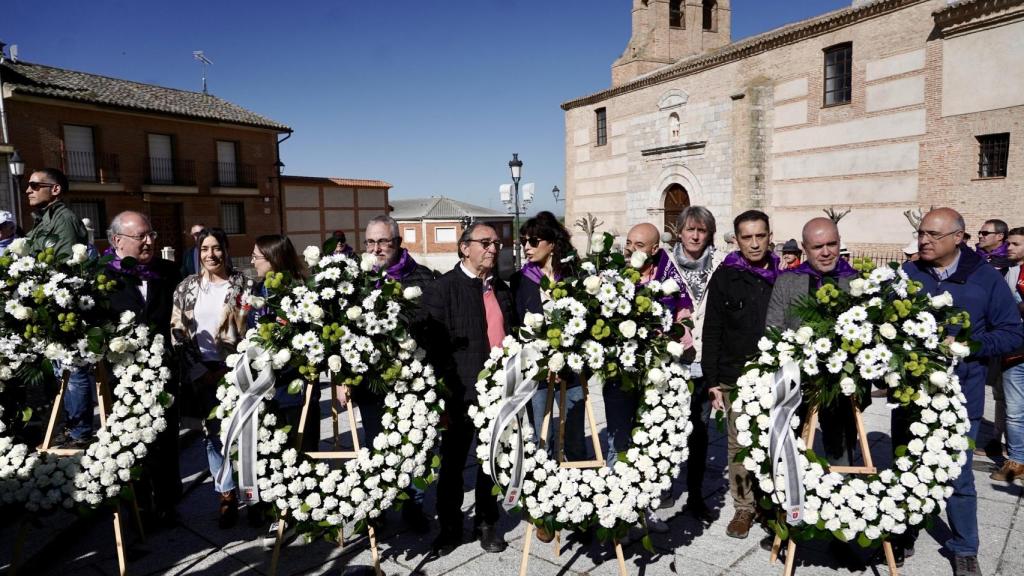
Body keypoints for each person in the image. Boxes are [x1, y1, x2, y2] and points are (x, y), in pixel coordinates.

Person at [896, 208, 1024, 575]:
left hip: (960, 397)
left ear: (958, 238)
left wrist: (968, 344)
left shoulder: (985, 279)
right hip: (912, 394)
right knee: (907, 466)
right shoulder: (909, 273)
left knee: (958, 474)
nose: (924, 240)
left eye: (934, 235)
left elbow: (1013, 332)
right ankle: (903, 532)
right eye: (922, 233)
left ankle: (965, 546)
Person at [421, 223, 512, 555]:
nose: (492, 248)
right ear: (464, 248)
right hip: (460, 394)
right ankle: (449, 527)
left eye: (496, 243)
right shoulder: (442, 288)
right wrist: (444, 395)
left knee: (493, 461)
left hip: (499, 393)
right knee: (453, 464)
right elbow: (432, 347)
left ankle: (487, 522)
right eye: (485, 242)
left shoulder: (501, 288)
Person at [346, 215, 434, 532]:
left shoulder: (422, 277)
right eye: (370, 241)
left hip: (412, 381)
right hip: (372, 384)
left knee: (414, 446)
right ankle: (377, 505)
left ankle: (414, 507)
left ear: (397, 243)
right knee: (374, 446)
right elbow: (345, 334)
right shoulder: (355, 281)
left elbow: (431, 328)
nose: (377, 247)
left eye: (383, 241)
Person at [170, 228, 253, 529]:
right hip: (201, 372)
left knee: (246, 435)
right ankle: (226, 495)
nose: (210, 255)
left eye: (216, 248)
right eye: (204, 249)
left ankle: (252, 495)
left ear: (226, 250)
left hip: (236, 370)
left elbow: (253, 331)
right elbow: (177, 331)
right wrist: (199, 371)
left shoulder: (243, 285)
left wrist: (230, 367)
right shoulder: (186, 287)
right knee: (214, 436)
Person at [703, 210, 779, 539]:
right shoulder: (725, 276)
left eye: (759, 236)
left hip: (777, 376)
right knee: (738, 445)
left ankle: (772, 501)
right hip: (736, 375)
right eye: (746, 237)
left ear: (769, 236)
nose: (754, 243)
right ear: (736, 239)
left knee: (776, 442)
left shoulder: (785, 274)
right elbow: (713, 330)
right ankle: (744, 507)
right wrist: (713, 382)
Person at [105, 211, 183, 529]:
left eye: (151, 234)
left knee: (166, 443)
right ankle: (138, 509)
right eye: (142, 236)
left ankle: (167, 504)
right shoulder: (102, 278)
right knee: (130, 446)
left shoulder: (168, 272)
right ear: (118, 241)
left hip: (164, 375)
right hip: (123, 380)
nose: (150, 241)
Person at [510, 212, 584, 542]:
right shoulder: (521, 280)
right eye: (523, 241)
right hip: (538, 375)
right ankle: (544, 508)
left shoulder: (577, 276)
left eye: (533, 241)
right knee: (541, 437)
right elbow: (517, 327)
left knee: (573, 438)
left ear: (552, 244)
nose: (526, 246)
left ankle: (580, 503)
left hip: (573, 373)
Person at [23, 168, 94, 448]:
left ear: (54, 190)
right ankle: (73, 426)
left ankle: (80, 432)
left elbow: (63, 266)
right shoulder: (43, 221)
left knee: (73, 370)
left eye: (34, 185)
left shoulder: (62, 220)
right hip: (49, 306)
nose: (28, 189)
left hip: (65, 306)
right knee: (60, 370)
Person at [672, 206, 726, 524]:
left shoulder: (721, 264)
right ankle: (664, 487)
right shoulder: (665, 264)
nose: (695, 236)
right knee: (667, 425)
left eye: (701, 230)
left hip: (705, 359)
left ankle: (694, 493)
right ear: (679, 231)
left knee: (700, 428)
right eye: (690, 229)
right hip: (672, 359)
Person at [991, 227, 1024, 485]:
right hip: (1012, 350)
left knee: (1015, 410)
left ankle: (1017, 461)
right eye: (1009, 243)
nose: (1008, 248)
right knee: (1012, 406)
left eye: (1014, 244)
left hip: (1019, 349)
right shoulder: (1007, 270)